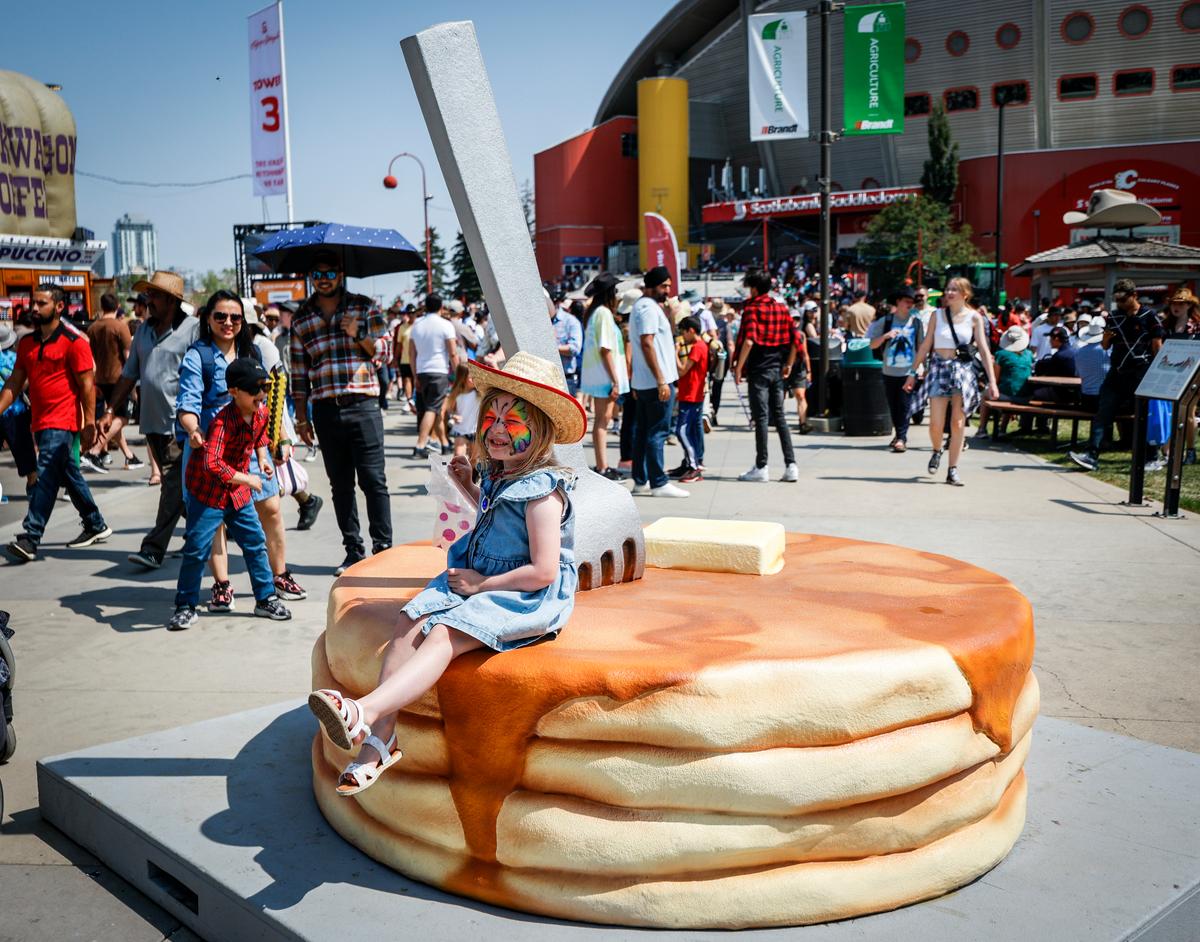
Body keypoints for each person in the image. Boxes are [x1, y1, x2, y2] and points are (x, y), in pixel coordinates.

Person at [306, 352, 583, 795]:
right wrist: (469, 487)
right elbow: (495, 518)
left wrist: (481, 585)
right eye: (491, 417)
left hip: (521, 592)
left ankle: (363, 712)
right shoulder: (501, 475)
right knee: (409, 620)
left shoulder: (543, 492)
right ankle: (381, 739)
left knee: (443, 635)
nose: (496, 429)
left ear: (542, 431)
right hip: (478, 574)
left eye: (512, 422)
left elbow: (544, 570)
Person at [168, 358, 292, 630]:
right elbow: (212, 464)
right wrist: (247, 479)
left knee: (255, 542)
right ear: (234, 391)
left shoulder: (260, 412)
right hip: (208, 493)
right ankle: (185, 606)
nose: (261, 394)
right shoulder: (222, 423)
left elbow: (260, 438)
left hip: (236, 493)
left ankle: (266, 599)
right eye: (255, 389)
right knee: (196, 550)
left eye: (265, 388)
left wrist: (262, 460)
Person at [290, 252, 394, 574]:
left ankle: (383, 549)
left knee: (374, 481)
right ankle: (353, 550)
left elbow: (386, 353)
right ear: (311, 277)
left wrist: (359, 334)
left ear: (340, 274)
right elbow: (299, 374)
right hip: (325, 410)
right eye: (318, 274)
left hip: (363, 405)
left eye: (329, 273)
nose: (324, 279)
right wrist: (302, 418)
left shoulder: (364, 307)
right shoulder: (301, 318)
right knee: (340, 485)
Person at [1, 284, 111, 561]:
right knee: (67, 474)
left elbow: (87, 386)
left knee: (46, 473)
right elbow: (15, 382)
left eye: (42, 303)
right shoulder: (27, 343)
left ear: (59, 307)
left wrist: (89, 423)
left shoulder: (74, 342)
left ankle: (31, 536)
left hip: (63, 421)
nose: (34, 308)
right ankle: (95, 523)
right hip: (39, 421)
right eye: (33, 303)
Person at [98, 272, 199, 568]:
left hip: (182, 425)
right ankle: (213, 527)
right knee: (181, 489)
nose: (148, 300)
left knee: (173, 486)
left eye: (154, 295)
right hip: (153, 422)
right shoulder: (143, 331)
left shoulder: (193, 330)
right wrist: (109, 410)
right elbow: (129, 374)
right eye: (148, 295)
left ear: (171, 300)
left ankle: (153, 548)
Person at [905, 277, 999, 486]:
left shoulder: (975, 317)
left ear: (965, 294)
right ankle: (937, 450)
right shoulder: (937, 315)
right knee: (935, 424)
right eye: (947, 289)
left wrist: (992, 382)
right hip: (939, 369)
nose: (949, 293)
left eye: (954, 290)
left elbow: (984, 350)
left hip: (962, 372)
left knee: (957, 423)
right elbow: (926, 344)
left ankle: (952, 469)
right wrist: (913, 372)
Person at [1069, 279, 1165, 472]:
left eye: (1123, 299)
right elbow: (1106, 346)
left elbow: (1157, 347)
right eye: (1117, 299)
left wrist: (1156, 373)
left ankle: (1152, 457)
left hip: (1141, 372)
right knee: (1103, 413)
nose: (1119, 303)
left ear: (1134, 295)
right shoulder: (1114, 316)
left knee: (1144, 415)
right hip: (1117, 372)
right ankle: (1091, 455)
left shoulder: (1149, 316)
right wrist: (1105, 339)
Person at [734, 269, 800, 483]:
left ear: (754, 289)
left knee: (761, 418)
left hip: (758, 370)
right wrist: (788, 364)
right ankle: (791, 465)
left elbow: (749, 340)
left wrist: (738, 367)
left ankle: (762, 466)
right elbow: (796, 340)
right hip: (777, 369)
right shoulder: (781, 308)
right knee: (780, 417)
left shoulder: (752, 309)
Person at [629, 266, 687, 498]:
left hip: (647, 381)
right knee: (657, 432)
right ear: (651, 286)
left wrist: (670, 315)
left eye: (669, 286)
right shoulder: (647, 308)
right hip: (656, 382)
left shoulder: (647, 307)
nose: (667, 291)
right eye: (664, 286)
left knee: (644, 432)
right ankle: (659, 482)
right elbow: (647, 343)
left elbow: (661, 338)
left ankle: (641, 480)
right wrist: (661, 380)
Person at [83, 292, 141, 472]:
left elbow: (90, 358)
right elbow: (128, 357)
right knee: (123, 419)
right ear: (117, 306)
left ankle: (129, 456)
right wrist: (134, 383)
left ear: (102, 307)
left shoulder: (92, 328)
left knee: (113, 420)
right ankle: (94, 451)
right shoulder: (120, 326)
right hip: (120, 380)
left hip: (100, 380)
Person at [579, 272, 628, 480]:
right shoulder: (604, 314)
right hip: (604, 377)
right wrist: (615, 380)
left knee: (602, 420)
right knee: (602, 421)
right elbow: (606, 349)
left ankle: (602, 465)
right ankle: (602, 466)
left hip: (598, 375)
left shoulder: (595, 313)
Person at [868, 286, 924, 453]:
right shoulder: (885, 321)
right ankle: (899, 434)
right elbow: (871, 344)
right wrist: (885, 336)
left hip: (909, 372)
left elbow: (921, 347)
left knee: (905, 404)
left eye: (912, 302)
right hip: (889, 370)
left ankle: (901, 438)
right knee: (893, 405)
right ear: (898, 302)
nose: (910, 305)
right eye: (907, 301)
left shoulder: (916, 323)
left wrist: (921, 367)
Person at [408, 292, 459, 459]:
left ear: (425, 306)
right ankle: (420, 445)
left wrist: (415, 375)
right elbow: (453, 353)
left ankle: (444, 443)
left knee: (435, 408)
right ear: (441, 307)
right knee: (432, 408)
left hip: (422, 371)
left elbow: (411, 354)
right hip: (439, 371)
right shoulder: (445, 325)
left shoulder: (417, 325)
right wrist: (459, 373)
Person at [976, 325, 1035, 440]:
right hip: (1025, 396)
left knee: (985, 395)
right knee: (1010, 391)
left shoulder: (1001, 354)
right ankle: (1002, 429)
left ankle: (982, 429)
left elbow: (995, 379)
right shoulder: (1029, 354)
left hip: (1008, 395)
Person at [0, 322, 37, 494]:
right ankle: (33, 488)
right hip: (15, 412)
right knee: (26, 456)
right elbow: (24, 382)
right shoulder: (15, 359)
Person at [671, 315, 708, 483]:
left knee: (682, 431)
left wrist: (675, 353)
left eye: (683, 332)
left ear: (691, 331)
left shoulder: (697, 347)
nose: (682, 336)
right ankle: (688, 463)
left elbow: (682, 370)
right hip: (691, 394)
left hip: (691, 395)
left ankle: (694, 466)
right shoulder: (700, 346)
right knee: (689, 430)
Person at [551, 292, 583, 398]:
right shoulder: (541, 321)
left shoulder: (571, 321)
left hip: (565, 379)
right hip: (546, 378)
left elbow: (575, 348)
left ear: (556, 303)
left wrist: (552, 348)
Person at [446, 363, 479, 458]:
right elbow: (450, 409)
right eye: (470, 377)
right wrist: (453, 416)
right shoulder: (456, 394)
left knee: (474, 459)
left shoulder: (479, 393)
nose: (474, 380)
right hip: (460, 429)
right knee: (458, 455)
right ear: (462, 378)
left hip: (475, 430)